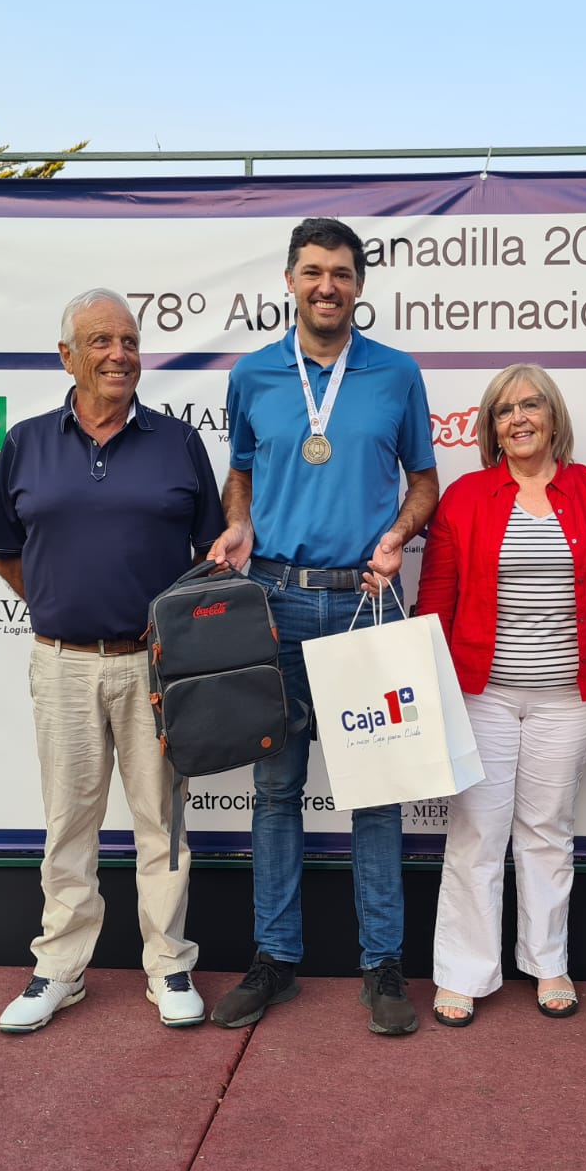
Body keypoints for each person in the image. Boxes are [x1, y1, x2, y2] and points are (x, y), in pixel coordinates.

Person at [207, 218, 439, 1037]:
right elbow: (241, 472)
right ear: (290, 280)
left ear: (360, 285)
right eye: (312, 272)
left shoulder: (397, 373)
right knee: (276, 791)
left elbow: (424, 480)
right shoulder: (253, 374)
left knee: (376, 794)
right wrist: (239, 523)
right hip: (271, 600)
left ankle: (383, 966)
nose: (327, 286)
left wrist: (399, 533)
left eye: (341, 273)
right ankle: (275, 960)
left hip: (362, 604)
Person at [0, 288, 225, 1033]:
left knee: (163, 824)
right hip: (62, 665)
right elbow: (5, 551)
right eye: (100, 341)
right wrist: (66, 606)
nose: (119, 355)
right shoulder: (26, 442)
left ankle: (169, 964)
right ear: (67, 356)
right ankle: (60, 968)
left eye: (129, 341)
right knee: (69, 825)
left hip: (156, 666)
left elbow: (210, 555)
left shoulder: (178, 442)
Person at [416, 364, 586, 1027]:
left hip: (569, 696)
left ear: (554, 417)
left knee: (548, 830)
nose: (519, 418)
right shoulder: (466, 496)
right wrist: (430, 690)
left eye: (531, 405)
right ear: (491, 427)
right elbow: (436, 598)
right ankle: (463, 972)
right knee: (477, 831)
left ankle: (548, 961)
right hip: (484, 695)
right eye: (504, 410)